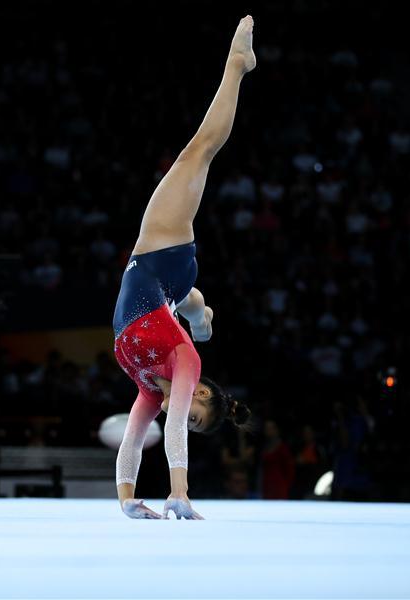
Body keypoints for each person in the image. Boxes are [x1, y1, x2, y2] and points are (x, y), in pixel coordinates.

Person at [113, 16, 256, 520]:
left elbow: (136, 436)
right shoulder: (185, 366)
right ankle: (237, 66)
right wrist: (179, 492)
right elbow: (173, 429)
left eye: (191, 420)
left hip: (163, 285)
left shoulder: (150, 388)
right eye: (197, 407)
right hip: (161, 254)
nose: (186, 411)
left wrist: (129, 502)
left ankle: (201, 313)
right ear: (203, 388)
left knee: (189, 302)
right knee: (200, 150)